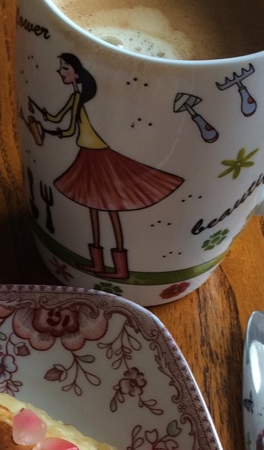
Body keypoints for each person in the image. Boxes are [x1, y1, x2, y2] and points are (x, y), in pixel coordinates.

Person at [29, 53, 183, 280]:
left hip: (99, 157)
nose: (60, 71)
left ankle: (119, 269)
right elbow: (57, 119)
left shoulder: (80, 99)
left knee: (110, 209)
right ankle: (98, 264)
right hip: (87, 154)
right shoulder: (74, 98)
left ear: (76, 72)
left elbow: (69, 130)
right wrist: (41, 116)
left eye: (64, 68)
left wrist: (48, 131)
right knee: (93, 207)